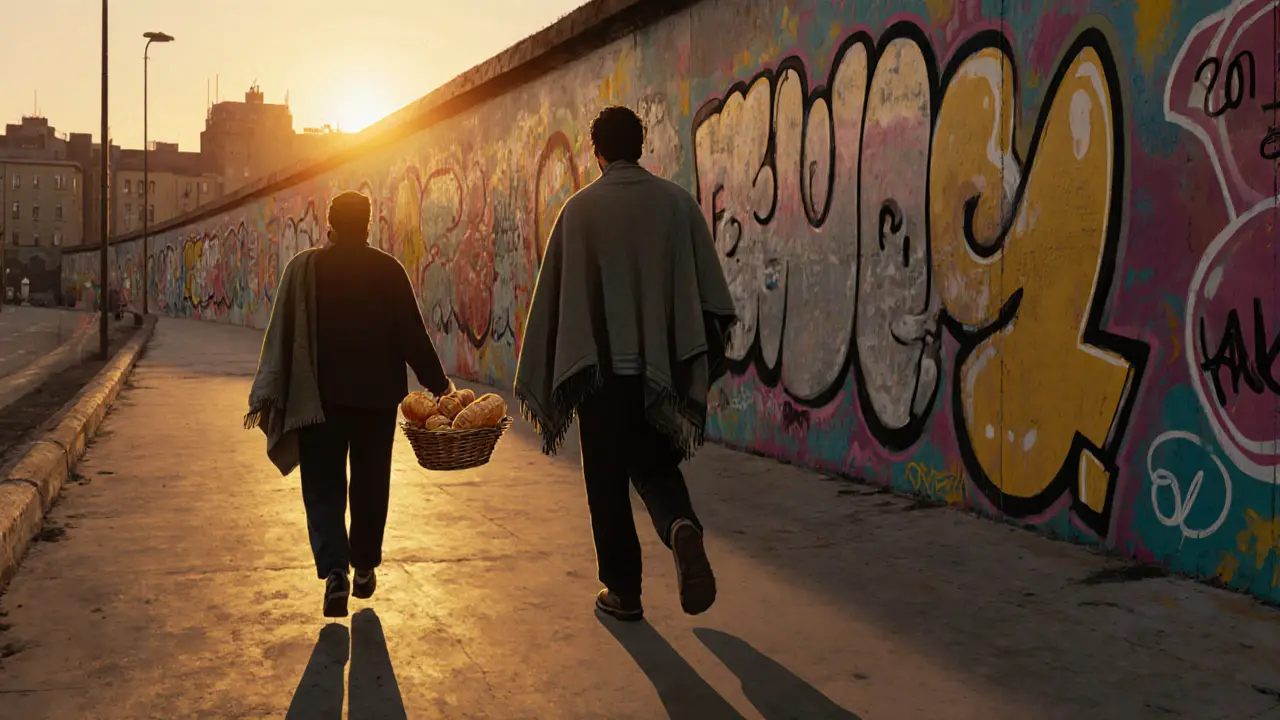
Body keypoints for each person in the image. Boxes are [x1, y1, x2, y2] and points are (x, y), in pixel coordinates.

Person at [514, 106, 737, 621]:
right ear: (641, 146)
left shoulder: (579, 210)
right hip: (660, 369)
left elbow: (559, 301)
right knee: (655, 460)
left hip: (600, 373)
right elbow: (710, 301)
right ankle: (681, 526)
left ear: (597, 153)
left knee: (606, 478)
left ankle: (624, 591)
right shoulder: (678, 205)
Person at [246, 191, 453, 618]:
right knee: (371, 483)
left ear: (331, 226)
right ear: (370, 225)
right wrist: (441, 388)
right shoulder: (388, 270)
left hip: (320, 400)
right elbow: (413, 337)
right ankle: (363, 567)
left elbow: (284, 336)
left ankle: (335, 570)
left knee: (323, 485)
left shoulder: (309, 270)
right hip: (377, 402)